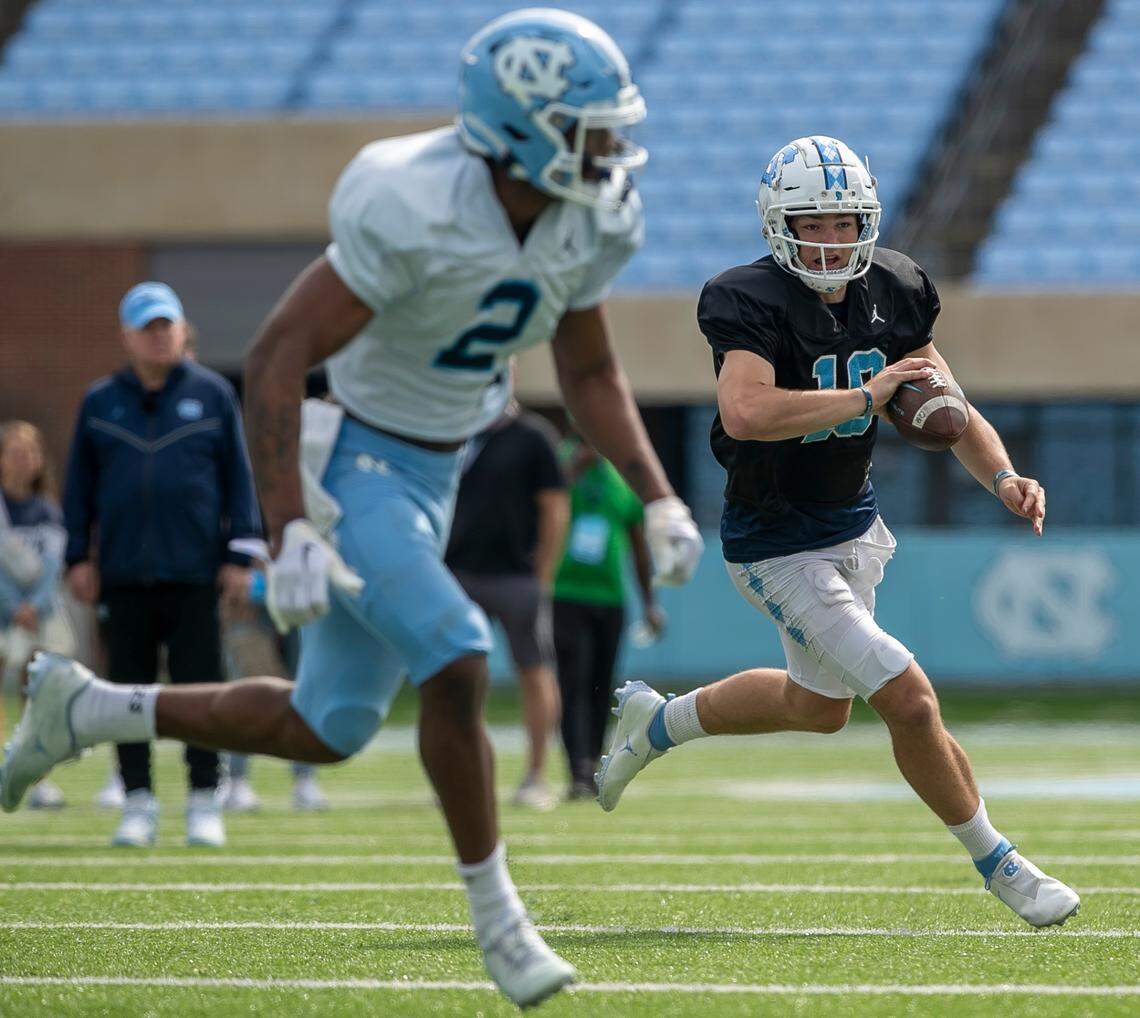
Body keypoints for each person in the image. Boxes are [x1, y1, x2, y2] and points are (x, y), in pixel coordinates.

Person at [0, 10, 703, 1008]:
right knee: (457, 651)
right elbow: (281, 350)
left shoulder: (589, 216)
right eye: (589, 129)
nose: (610, 150)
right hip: (358, 460)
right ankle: (500, 920)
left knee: (326, 725)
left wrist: (661, 493)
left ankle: (87, 708)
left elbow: (586, 365)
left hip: (438, 470)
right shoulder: (412, 200)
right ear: (520, 128)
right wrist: (288, 521)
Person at [595, 135, 1080, 929]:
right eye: (811, 224)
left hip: (854, 525)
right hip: (777, 543)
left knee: (816, 707)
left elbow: (946, 403)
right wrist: (866, 397)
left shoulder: (892, 287)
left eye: (844, 223)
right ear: (778, 226)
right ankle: (1001, 864)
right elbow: (745, 413)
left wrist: (1004, 476)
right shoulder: (746, 299)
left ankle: (656, 722)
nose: (830, 240)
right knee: (909, 698)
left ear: (868, 225)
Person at [58, 280, 260, 848]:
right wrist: (78, 555)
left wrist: (241, 553)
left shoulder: (214, 393)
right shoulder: (100, 401)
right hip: (122, 575)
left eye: (166, 325)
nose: (158, 336)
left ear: (181, 329)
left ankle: (203, 799)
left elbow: (238, 481)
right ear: (127, 336)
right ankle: (138, 800)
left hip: (196, 572)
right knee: (125, 691)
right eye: (147, 328)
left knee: (201, 690)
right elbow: (80, 486)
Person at [445, 395, 568, 811]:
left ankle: (536, 776)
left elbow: (554, 506)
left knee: (534, 673)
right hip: (458, 574)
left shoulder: (534, 437)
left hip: (516, 577)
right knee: (455, 675)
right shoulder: (454, 428)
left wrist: (543, 575)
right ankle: (461, 777)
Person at [553, 437, 663, 800]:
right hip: (566, 593)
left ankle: (594, 762)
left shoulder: (621, 477)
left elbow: (637, 545)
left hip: (610, 598)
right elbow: (540, 508)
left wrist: (649, 602)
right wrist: (573, 470)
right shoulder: (560, 464)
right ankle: (577, 769)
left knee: (601, 685)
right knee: (574, 682)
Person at [0, 420, 74, 809]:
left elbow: (52, 567)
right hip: (4, 614)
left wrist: (34, 606)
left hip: (39, 619)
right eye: (14, 452)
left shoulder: (48, 510)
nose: (23, 460)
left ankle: (38, 780)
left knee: (39, 693)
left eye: (30, 452)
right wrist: (12, 607)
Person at [220, 569, 330, 813]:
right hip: (249, 606)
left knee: (304, 692)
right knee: (245, 695)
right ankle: (236, 782)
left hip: (299, 602)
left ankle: (305, 780)